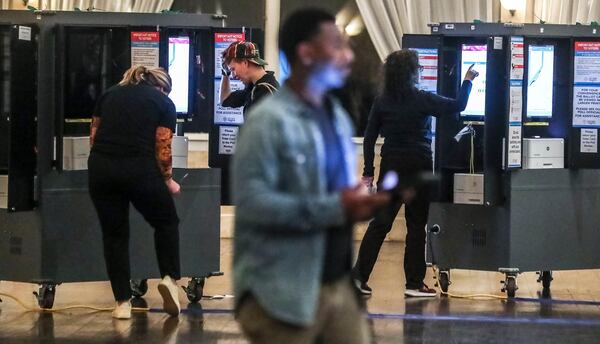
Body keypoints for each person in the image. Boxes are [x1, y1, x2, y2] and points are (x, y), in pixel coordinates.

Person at [231, 8, 390, 344]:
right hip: (279, 295)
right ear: (306, 53)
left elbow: (337, 193)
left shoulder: (336, 118)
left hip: (335, 286)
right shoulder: (267, 121)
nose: (348, 55)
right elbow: (254, 204)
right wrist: (336, 207)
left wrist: (359, 200)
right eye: (337, 45)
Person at [353, 50, 478, 297]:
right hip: (418, 167)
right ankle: (413, 284)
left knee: (380, 224)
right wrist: (468, 81)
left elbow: (369, 139)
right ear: (412, 73)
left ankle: (358, 278)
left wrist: (368, 171)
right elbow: (458, 106)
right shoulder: (421, 98)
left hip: (391, 167)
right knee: (416, 224)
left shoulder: (381, 100)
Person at [88, 65, 182, 319]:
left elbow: (94, 136)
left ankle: (122, 303)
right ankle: (170, 280)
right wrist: (169, 180)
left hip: (101, 169)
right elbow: (163, 146)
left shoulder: (109, 94)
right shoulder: (163, 102)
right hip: (139, 169)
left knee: (114, 235)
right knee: (166, 222)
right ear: (162, 87)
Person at [220, 40, 280, 115]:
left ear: (245, 63)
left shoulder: (265, 91)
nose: (233, 75)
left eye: (233, 69)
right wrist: (225, 72)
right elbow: (225, 100)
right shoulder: (254, 88)